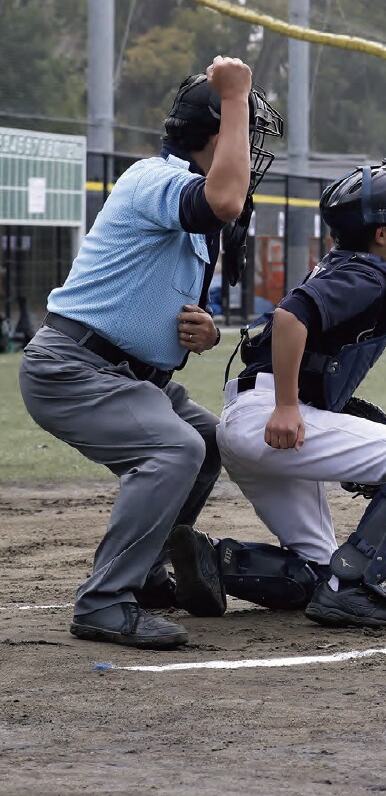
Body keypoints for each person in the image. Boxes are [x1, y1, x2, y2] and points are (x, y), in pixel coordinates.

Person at [19, 56, 284, 649]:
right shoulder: (150, 179)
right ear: (214, 136)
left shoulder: (181, 194)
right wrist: (237, 95)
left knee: (206, 440)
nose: (249, 149)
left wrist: (205, 331)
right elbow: (223, 201)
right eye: (240, 134)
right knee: (173, 450)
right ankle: (105, 602)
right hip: (73, 368)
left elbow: (165, 292)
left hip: (130, 375)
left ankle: (142, 577)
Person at [166, 159, 386, 629]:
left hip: (249, 425)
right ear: (380, 233)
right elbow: (290, 318)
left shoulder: (346, 264)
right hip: (272, 420)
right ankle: (352, 589)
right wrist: (285, 406)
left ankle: (217, 563)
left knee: (318, 573)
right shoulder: (368, 273)